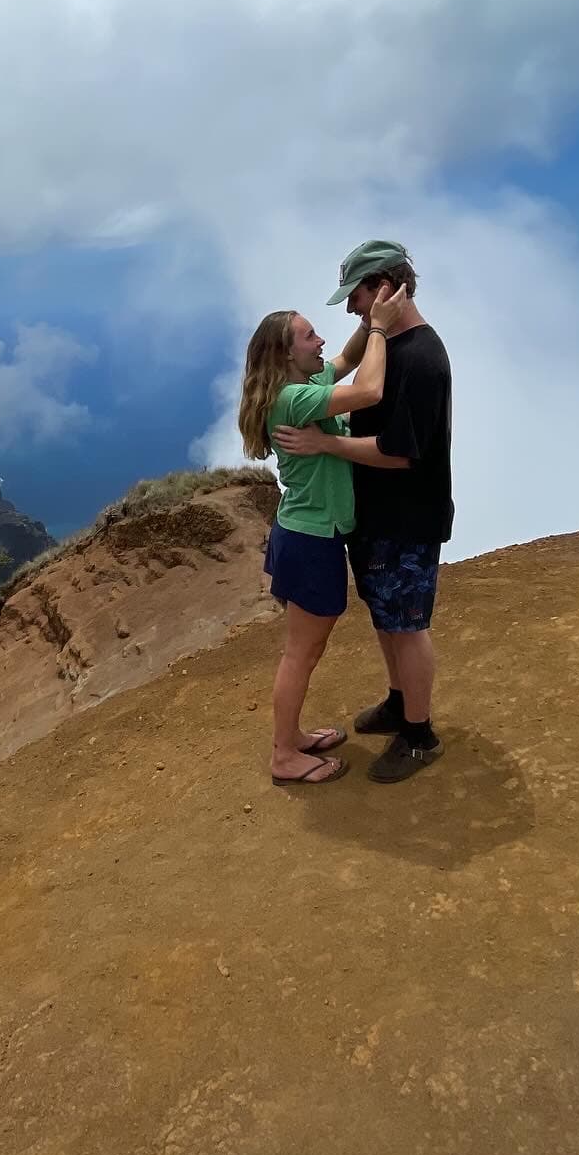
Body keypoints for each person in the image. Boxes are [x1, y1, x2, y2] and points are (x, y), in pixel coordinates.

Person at [274, 239, 452, 784]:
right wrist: (376, 324)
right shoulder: (389, 348)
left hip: (406, 516)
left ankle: (418, 735)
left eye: (357, 294)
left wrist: (326, 445)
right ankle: (401, 704)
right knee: (388, 619)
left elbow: (400, 454)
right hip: (375, 517)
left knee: (407, 624)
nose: (350, 306)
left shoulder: (420, 358)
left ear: (384, 289)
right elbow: (353, 363)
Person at [237, 280, 406, 785]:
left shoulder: (299, 389)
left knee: (305, 651)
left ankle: (293, 739)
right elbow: (369, 388)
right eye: (309, 337)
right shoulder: (294, 400)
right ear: (286, 355)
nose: (320, 343)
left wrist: (367, 320)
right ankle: (283, 755)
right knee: (301, 652)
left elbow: (347, 362)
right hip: (310, 540)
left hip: (305, 533)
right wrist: (379, 327)